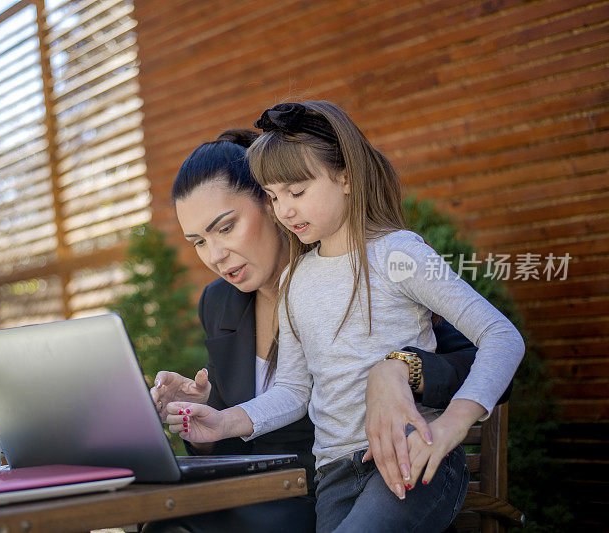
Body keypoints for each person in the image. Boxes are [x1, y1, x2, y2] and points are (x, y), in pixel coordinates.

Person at [163, 102, 524, 532]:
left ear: (347, 177)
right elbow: (296, 391)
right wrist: (222, 420)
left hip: (408, 458)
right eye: (277, 197)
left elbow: (499, 336)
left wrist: (451, 423)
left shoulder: (399, 253)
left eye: (296, 193)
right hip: (333, 475)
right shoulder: (297, 279)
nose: (285, 211)